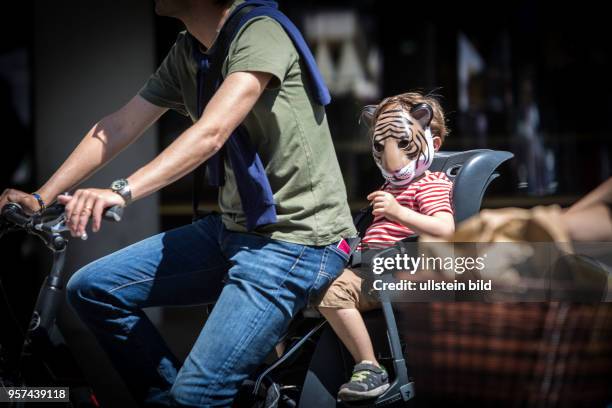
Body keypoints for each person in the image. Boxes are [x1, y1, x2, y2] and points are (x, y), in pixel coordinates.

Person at [0, 0, 356, 406]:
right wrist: (39, 196)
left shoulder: (260, 32)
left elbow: (212, 132)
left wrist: (120, 190)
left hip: (295, 243)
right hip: (235, 232)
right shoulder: (190, 50)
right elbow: (117, 126)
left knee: (195, 397)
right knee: (92, 289)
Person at [318, 92, 455, 401]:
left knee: (330, 292)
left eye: (405, 145)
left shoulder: (429, 184)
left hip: (396, 271)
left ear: (432, 145)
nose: (392, 162)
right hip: (370, 266)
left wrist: (397, 211)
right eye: (381, 146)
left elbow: (446, 229)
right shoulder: (393, 186)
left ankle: (369, 366)